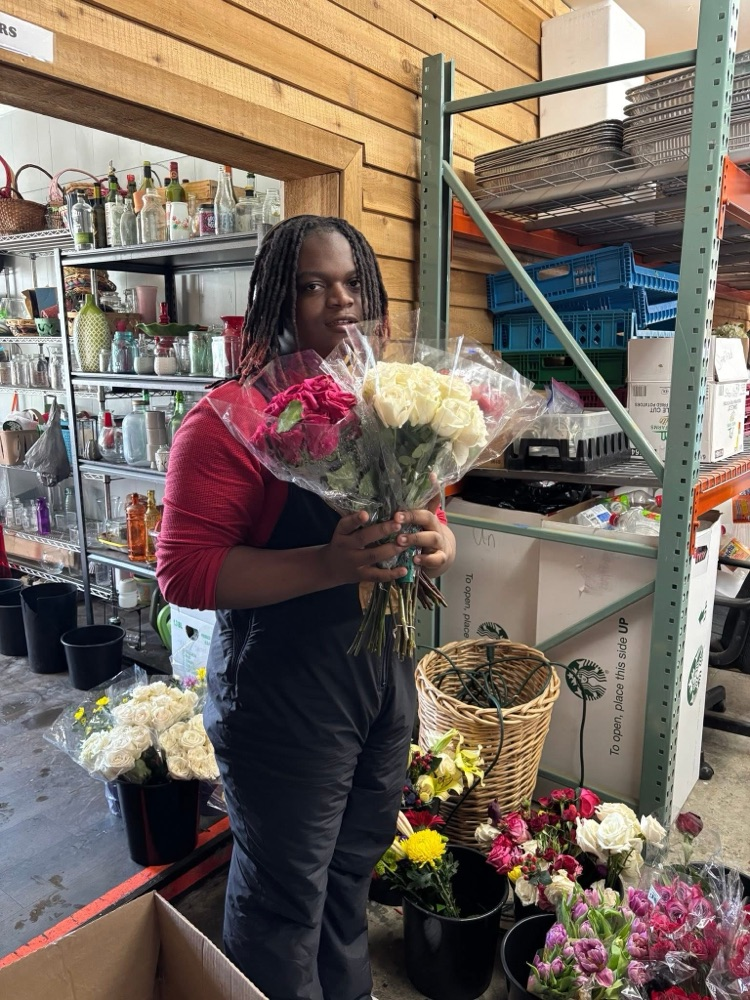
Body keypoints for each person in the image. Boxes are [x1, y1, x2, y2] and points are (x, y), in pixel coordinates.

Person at [157, 214, 456, 1000]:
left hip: (379, 683)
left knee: (352, 872)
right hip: (283, 689)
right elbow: (184, 572)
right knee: (286, 899)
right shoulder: (232, 419)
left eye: (353, 282)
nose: (339, 301)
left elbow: (425, 513)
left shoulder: (385, 407)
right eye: (312, 285)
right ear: (273, 301)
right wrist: (327, 563)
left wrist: (435, 539)